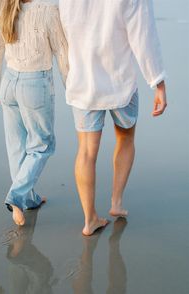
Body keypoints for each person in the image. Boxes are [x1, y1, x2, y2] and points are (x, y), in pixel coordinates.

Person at [59, 0, 167, 235]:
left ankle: (90, 220)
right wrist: (157, 81)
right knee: (126, 138)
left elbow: (66, 28)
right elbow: (143, 35)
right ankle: (116, 202)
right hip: (120, 81)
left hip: (83, 80)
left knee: (86, 152)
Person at [0, 0, 68, 226]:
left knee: (17, 147)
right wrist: (72, 88)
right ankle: (16, 196)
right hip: (35, 85)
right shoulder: (48, 10)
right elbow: (62, 51)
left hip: (8, 84)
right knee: (42, 145)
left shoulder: (0, 7)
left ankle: (28, 198)